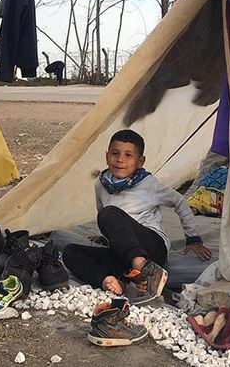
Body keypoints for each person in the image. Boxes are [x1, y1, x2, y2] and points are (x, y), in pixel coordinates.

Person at [62, 129, 212, 305]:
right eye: (115, 153)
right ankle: (111, 282)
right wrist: (106, 237)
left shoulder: (148, 184)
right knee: (70, 252)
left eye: (128, 155)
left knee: (109, 212)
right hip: (123, 254)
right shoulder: (101, 184)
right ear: (106, 156)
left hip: (151, 247)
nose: (120, 160)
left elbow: (179, 201)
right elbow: (108, 219)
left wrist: (193, 238)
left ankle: (146, 271)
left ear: (140, 161)